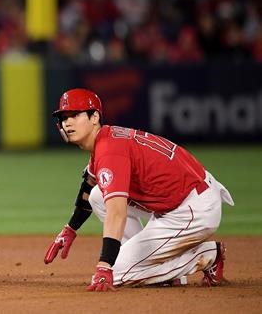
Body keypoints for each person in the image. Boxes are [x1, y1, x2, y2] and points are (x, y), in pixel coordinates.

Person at [43, 88, 234, 290]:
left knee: (116, 275)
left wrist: (105, 266)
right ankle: (148, 264)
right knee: (99, 195)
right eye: (63, 117)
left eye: (74, 115)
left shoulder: (109, 151)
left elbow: (117, 213)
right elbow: (89, 188)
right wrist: (70, 229)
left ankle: (207, 255)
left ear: (94, 117)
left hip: (192, 209)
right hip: (185, 196)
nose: (67, 122)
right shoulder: (106, 139)